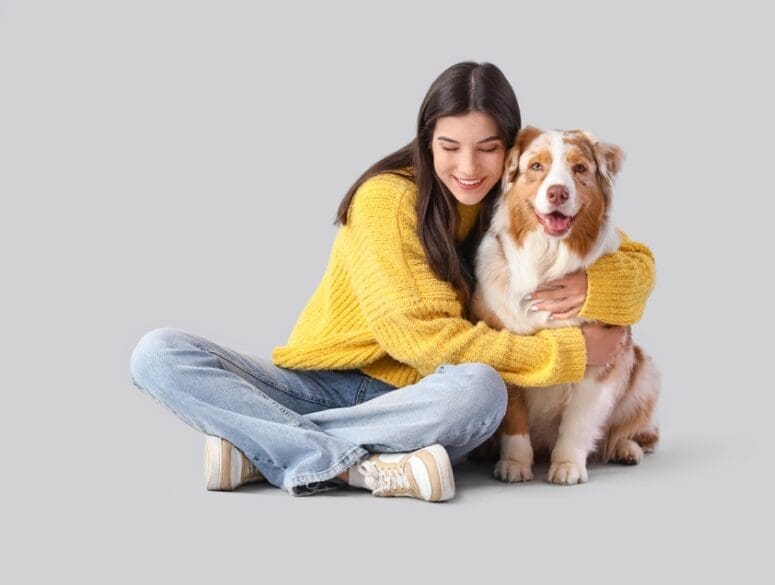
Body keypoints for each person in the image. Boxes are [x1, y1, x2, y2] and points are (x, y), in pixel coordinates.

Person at [128, 61, 655, 502]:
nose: (468, 167)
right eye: (450, 146)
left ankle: (259, 448)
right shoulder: (386, 198)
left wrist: (595, 289)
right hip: (329, 386)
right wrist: (570, 353)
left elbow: (631, 257)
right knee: (157, 353)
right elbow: (419, 339)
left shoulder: (519, 187)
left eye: (487, 148)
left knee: (477, 390)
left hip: (423, 397)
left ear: (510, 152)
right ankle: (356, 466)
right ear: (426, 140)